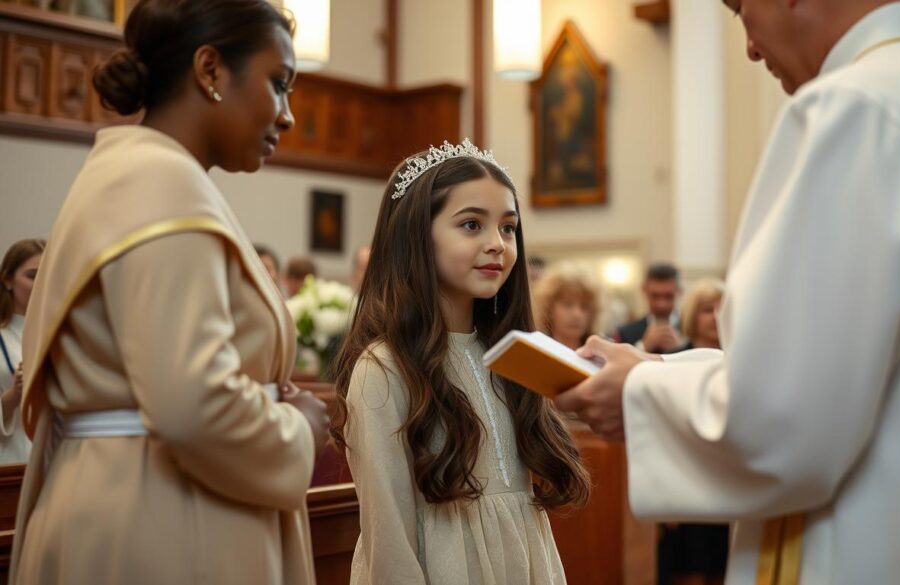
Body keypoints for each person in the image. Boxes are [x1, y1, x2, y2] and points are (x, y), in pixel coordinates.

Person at [554, 1, 900, 583]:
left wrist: (638, 394)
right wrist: (655, 370)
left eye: (741, 8)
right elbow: (870, 374)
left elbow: (782, 423)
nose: (750, 45)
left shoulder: (855, 107)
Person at [11, 1, 330, 583]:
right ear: (210, 71)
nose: (287, 115)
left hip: (131, 496)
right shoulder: (162, 186)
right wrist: (298, 430)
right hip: (162, 522)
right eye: (278, 84)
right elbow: (193, 406)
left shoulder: (131, 173)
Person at [333, 140, 590, 584]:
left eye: (508, 228)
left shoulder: (514, 356)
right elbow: (388, 536)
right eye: (472, 225)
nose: (496, 244)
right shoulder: (385, 368)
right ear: (417, 234)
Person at [658, 278, 727, 585]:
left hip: (728, 481)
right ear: (691, 315)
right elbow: (663, 430)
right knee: (687, 569)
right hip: (685, 481)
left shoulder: (744, 361)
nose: (716, 316)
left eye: (723, 309)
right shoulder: (671, 362)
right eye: (707, 310)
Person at [0, 239, 45, 464]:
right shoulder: (3, 337)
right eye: (33, 275)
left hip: (57, 467)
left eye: (48, 274)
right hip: (11, 468)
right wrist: (14, 395)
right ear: (8, 280)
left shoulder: (63, 337)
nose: (42, 283)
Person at [613, 263, 684, 353]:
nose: (661, 304)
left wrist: (682, 349)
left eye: (669, 296)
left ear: (680, 292)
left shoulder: (693, 330)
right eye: (655, 296)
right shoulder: (626, 333)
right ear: (644, 290)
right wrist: (643, 347)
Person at [532, 262, 601, 349]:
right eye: (567, 304)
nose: (577, 314)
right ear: (549, 307)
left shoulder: (601, 356)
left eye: (585, 306)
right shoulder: (535, 349)